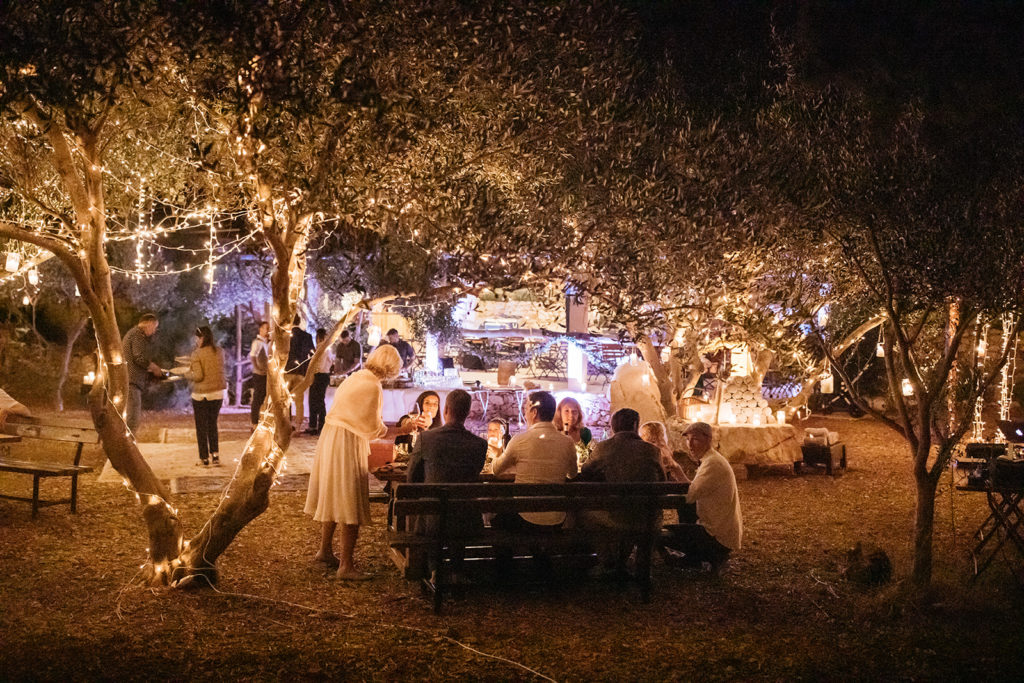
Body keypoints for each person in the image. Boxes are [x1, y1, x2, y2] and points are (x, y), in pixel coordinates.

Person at [304, 345, 428, 580]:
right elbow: (373, 429)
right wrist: (402, 428)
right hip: (346, 443)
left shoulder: (356, 377)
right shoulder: (372, 385)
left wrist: (394, 426)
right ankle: (346, 565)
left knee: (333, 494)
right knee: (349, 498)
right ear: (392, 367)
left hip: (331, 437)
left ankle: (325, 550)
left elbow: (365, 419)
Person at [406, 390, 488, 579]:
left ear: (446, 409)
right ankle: (457, 570)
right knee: (458, 505)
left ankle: (435, 569)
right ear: (467, 413)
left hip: (433, 521)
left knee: (435, 508)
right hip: (467, 520)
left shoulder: (426, 439)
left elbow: (412, 479)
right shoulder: (479, 445)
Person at [579, 409, 665, 572]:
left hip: (617, 517)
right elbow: (662, 482)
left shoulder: (604, 447)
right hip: (647, 519)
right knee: (627, 513)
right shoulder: (652, 451)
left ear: (613, 427)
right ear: (635, 425)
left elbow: (586, 471)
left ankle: (607, 560)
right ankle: (622, 563)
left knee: (585, 513)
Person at [661, 422, 742, 573]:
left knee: (660, 535)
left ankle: (705, 555)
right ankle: (693, 557)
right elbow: (695, 490)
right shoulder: (711, 460)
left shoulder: (713, 464)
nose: (690, 444)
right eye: (688, 439)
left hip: (718, 537)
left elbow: (690, 495)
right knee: (683, 513)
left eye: (695, 439)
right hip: (721, 531)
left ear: (708, 440)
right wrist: (677, 469)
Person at [491, 390, 577, 529]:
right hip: (556, 519)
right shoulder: (567, 442)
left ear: (534, 412)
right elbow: (572, 474)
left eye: (526, 409)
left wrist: (497, 452)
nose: (525, 413)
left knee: (497, 521)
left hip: (525, 517)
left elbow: (496, 470)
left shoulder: (520, 440)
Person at [184, 326, 227, 467]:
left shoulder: (197, 354)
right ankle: (216, 455)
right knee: (212, 424)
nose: (196, 341)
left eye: (197, 338)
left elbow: (198, 376)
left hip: (201, 395)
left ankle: (204, 458)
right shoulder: (220, 352)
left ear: (201, 338)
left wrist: (186, 374)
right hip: (217, 393)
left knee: (201, 427)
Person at [122, 313, 164, 433]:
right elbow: (138, 357)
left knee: (131, 414)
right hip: (132, 380)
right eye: (155, 327)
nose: (154, 331)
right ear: (149, 324)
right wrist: (153, 367)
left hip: (130, 379)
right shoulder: (137, 334)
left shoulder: (133, 334)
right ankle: (129, 445)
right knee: (133, 416)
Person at [285, 316, 315, 430]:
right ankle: (298, 425)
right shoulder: (307, 336)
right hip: (301, 372)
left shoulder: (286, 336)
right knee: (299, 400)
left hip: (287, 371)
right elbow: (312, 355)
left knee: (285, 399)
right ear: (299, 321)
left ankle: (286, 423)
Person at [306, 328, 335, 436]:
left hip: (319, 375)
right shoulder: (328, 349)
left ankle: (315, 425)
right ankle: (319, 425)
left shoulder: (321, 348)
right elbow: (331, 362)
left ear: (318, 337)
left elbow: (317, 365)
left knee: (314, 401)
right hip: (324, 375)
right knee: (319, 401)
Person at [553, 396, 593, 465]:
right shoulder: (554, 434)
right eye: (566, 411)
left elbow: (591, 457)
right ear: (560, 413)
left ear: (578, 414)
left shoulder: (585, 433)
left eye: (574, 412)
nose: (571, 415)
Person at [248, 321, 270, 430]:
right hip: (259, 374)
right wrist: (257, 368)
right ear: (260, 329)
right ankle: (254, 423)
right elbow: (252, 356)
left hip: (267, 374)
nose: (268, 330)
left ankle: (263, 421)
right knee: (257, 398)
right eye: (266, 328)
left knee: (265, 398)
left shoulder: (268, 342)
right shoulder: (257, 343)